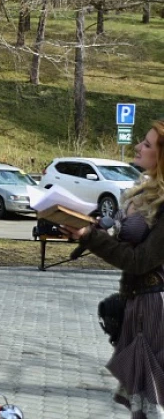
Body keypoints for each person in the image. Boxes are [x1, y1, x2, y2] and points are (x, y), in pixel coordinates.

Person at [60, 120, 164, 417]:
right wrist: (86, 229)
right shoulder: (144, 192)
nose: (138, 146)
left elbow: (139, 260)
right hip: (138, 303)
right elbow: (124, 243)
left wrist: (89, 237)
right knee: (140, 405)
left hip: (156, 307)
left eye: (147, 144)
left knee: (150, 404)